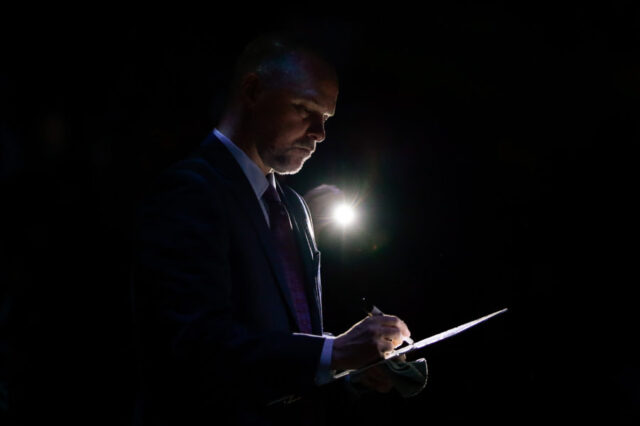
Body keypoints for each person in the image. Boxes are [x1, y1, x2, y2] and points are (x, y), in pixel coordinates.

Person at [130, 32, 415, 426]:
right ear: (252, 90)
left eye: (327, 118)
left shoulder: (294, 207)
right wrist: (333, 354)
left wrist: (351, 369)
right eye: (305, 109)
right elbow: (196, 347)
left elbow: (284, 340)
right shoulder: (189, 191)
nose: (320, 133)